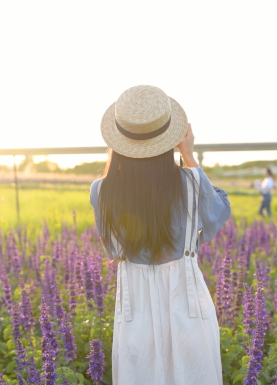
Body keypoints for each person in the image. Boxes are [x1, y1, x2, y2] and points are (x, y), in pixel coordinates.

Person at [90, 85, 231, 385]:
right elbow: (216, 214)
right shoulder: (189, 183)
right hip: (187, 300)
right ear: (171, 138)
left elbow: (113, 251)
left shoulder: (102, 191)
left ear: (119, 139)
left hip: (134, 305)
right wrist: (189, 155)